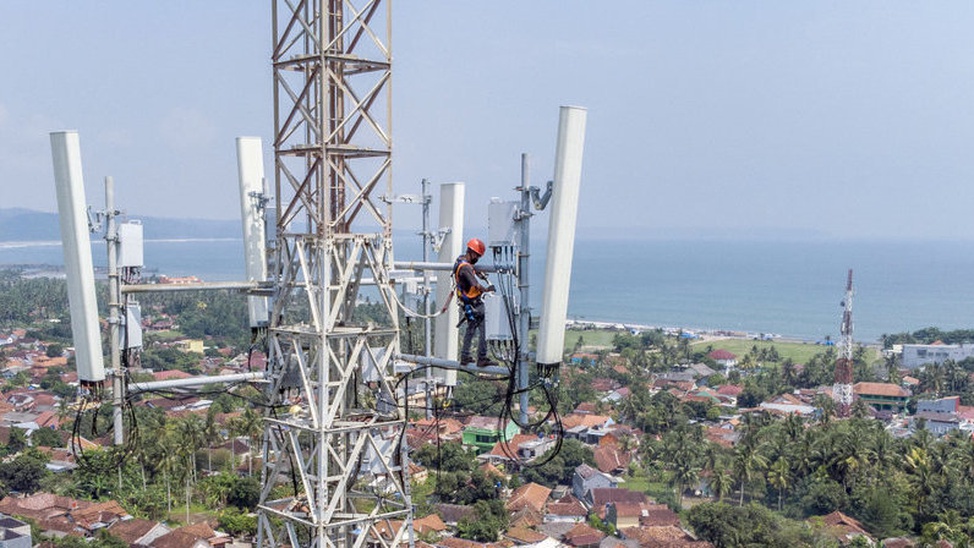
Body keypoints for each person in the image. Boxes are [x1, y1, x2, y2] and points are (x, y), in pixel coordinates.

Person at [454, 237, 496, 367]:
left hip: (466, 302)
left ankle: (465, 356)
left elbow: (469, 269)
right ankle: (481, 357)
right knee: (485, 327)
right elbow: (475, 286)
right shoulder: (465, 268)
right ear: (471, 253)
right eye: (477, 256)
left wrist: (478, 272)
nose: (477, 258)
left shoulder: (460, 261)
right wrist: (487, 289)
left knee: (471, 328)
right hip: (474, 303)